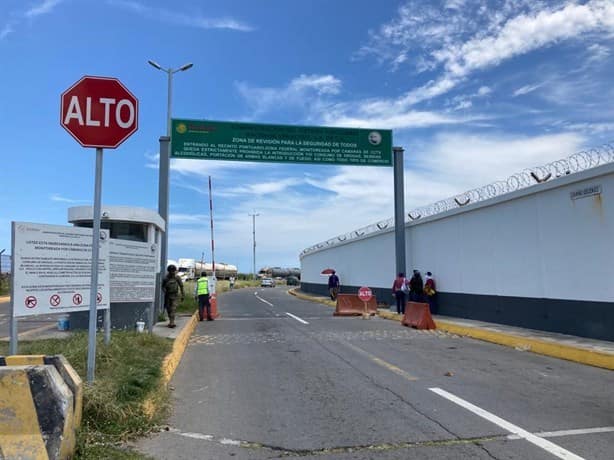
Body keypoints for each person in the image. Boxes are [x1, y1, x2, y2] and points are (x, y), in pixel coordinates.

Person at [162, 264, 184, 328]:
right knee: (168, 309)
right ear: (168, 271)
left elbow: (181, 286)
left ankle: (172, 322)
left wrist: (183, 295)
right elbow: (162, 286)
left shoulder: (177, 278)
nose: (172, 272)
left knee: (173, 309)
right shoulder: (165, 278)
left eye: (173, 271)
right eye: (171, 271)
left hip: (175, 296)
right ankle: (171, 321)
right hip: (168, 296)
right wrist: (164, 290)